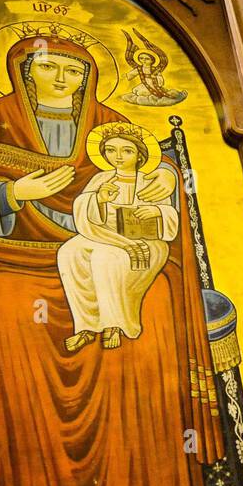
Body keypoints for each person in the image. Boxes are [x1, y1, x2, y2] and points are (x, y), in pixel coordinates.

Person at [0, 30, 224, 486]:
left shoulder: (112, 125)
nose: (63, 79)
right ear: (24, 72)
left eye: (74, 70)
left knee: (157, 300)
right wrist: (16, 195)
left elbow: (157, 195)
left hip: (111, 253)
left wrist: (134, 216)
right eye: (50, 69)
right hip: (15, 257)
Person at [57, 121, 179, 351]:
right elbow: (84, 209)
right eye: (111, 150)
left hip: (146, 241)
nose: (118, 157)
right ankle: (86, 326)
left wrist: (157, 211)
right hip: (105, 234)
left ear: (139, 154)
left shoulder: (150, 181)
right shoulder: (101, 179)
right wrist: (99, 199)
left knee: (105, 257)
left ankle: (113, 325)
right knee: (69, 252)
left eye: (127, 151)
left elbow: (170, 218)